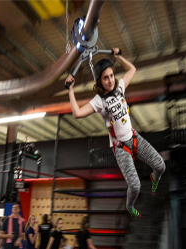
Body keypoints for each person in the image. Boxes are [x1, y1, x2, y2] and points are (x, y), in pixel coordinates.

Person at [65, 48, 166, 218]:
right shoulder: (99, 101)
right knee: (135, 187)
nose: (110, 80)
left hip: (133, 137)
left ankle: (154, 178)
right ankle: (129, 205)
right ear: (99, 80)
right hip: (119, 147)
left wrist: (118, 56)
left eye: (112, 76)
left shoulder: (120, 87)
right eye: (106, 78)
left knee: (160, 166)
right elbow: (77, 113)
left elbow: (132, 70)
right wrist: (70, 90)